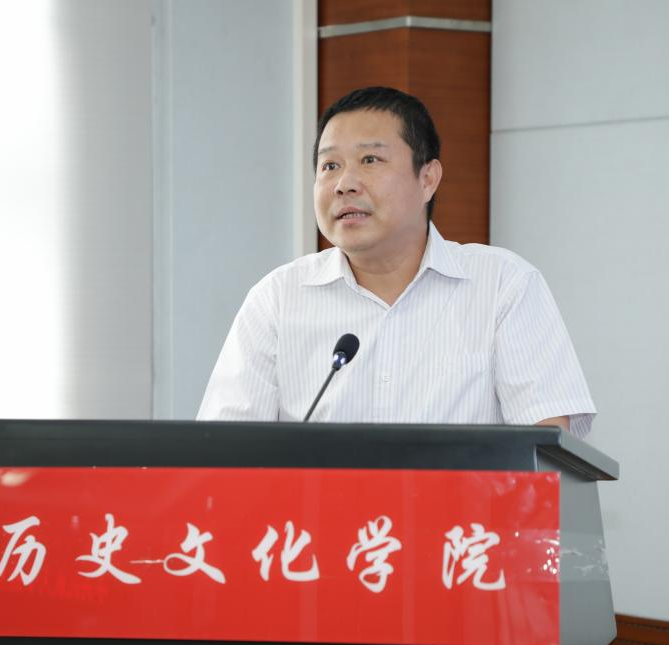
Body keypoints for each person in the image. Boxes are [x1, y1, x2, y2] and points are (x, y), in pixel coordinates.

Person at [197, 86, 596, 437]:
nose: (344, 184)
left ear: (428, 179)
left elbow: (546, 456)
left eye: (370, 160)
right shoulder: (278, 299)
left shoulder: (503, 286)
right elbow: (222, 457)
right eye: (330, 166)